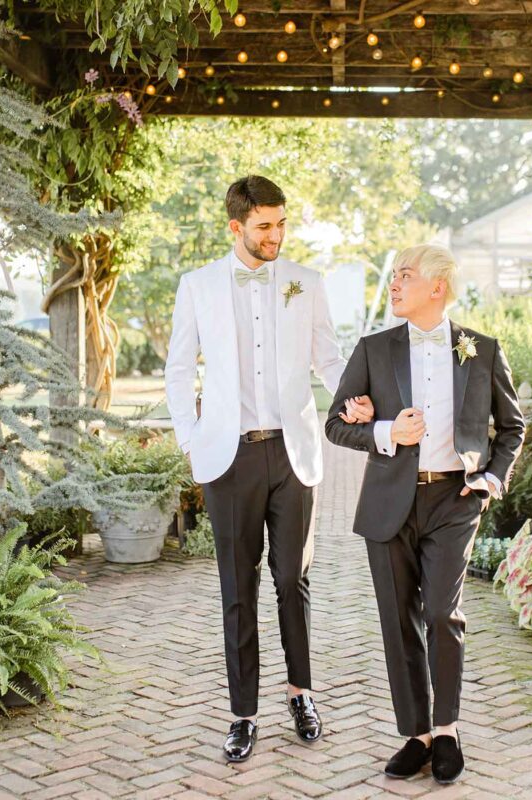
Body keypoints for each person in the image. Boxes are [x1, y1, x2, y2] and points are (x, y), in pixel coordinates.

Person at [164, 175, 374, 762]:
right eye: (264, 226)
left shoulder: (306, 283)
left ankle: (301, 693)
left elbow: (329, 356)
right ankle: (243, 713)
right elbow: (178, 368)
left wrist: (352, 397)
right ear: (236, 226)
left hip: (292, 452)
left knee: (292, 580)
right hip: (227, 457)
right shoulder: (198, 286)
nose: (276, 235)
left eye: (282, 224)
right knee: (239, 587)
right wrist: (189, 436)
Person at [325, 244, 524, 784]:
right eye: (394, 276)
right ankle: (416, 734)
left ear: (437, 287)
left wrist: (491, 477)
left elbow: (512, 428)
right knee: (398, 620)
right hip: (389, 499)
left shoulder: (480, 349)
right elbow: (335, 425)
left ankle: (448, 729)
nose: (394, 285)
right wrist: (385, 432)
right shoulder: (372, 349)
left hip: (453, 502)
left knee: (441, 613)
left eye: (405, 276)